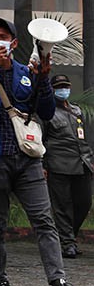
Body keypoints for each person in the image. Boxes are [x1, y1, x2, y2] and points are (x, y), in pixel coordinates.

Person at [0, 17, 81, 286]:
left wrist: (43, 79)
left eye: (4, 36)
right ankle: (0, 281)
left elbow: (46, 111)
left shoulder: (27, 72)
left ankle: (58, 283)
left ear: (14, 43)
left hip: (27, 160)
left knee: (44, 221)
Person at [43, 74, 94, 259]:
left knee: (84, 203)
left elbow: (83, 138)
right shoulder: (46, 112)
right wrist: (43, 165)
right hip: (59, 163)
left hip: (82, 163)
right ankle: (68, 244)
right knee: (62, 205)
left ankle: (67, 237)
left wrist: (90, 160)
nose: (63, 90)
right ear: (52, 90)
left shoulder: (76, 110)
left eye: (65, 86)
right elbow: (41, 140)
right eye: (59, 87)